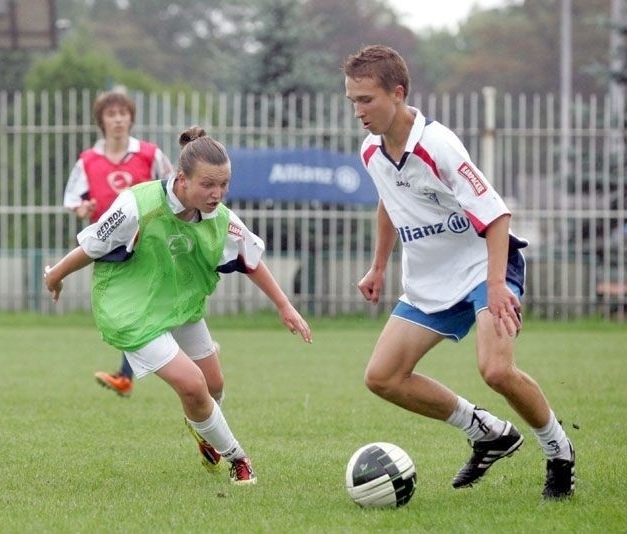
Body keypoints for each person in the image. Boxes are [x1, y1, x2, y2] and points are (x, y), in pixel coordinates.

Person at [343, 45, 575, 500]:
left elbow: (497, 214)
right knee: (383, 377)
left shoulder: (437, 145)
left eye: (366, 100)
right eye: (352, 100)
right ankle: (489, 432)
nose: (358, 112)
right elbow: (390, 204)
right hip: (430, 281)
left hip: (483, 266)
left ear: (398, 92)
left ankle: (559, 451)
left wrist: (493, 287)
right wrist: (378, 266)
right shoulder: (371, 150)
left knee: (496, 370)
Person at [44, 126, 313, 485]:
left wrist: (285, 306)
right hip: (132, 311)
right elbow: (92, 246)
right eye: (208, 185)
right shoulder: (136, 205)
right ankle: (237, 458)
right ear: (181, 179)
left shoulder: (222, 219)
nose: (217, 194)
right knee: (193, 386)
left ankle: (203, 429)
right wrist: (55, 275)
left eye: (224, 184)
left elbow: (250, 260)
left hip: (178, 305)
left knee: (214, 385)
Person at [63, 90, 174, 398]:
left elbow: (173, 186)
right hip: (109, 248)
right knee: (130, 310)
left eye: (123, 113)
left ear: (131, 118)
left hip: (149, 243)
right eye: (111, 114)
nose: (118, 120)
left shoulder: (149, 154)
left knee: (133, 308)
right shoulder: (88, 160)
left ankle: (126, 375)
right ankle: (184, 345)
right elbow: (73, 199)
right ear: (102, 121)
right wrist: (82, 209)